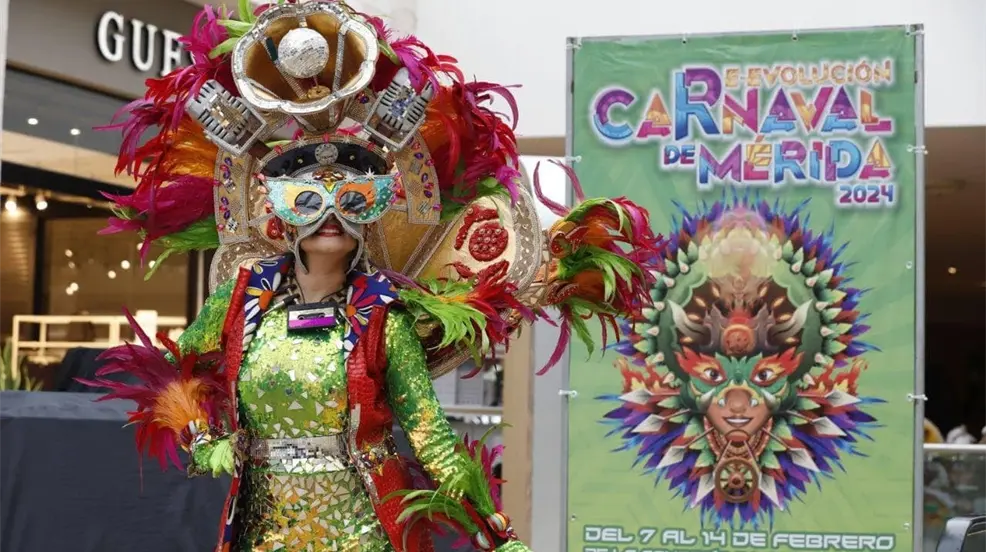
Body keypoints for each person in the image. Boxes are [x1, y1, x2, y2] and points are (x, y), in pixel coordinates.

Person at [82, 2, 662, 551]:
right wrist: (200, 433)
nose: (330, 215)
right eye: (309, 199)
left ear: (371, 214)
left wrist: (495, 532)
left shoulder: (385, 318)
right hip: (263, 528)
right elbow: (177, 369)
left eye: (352, 199)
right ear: (282, 212)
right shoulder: (242, 299)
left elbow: (431, 440)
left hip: (362, 529)